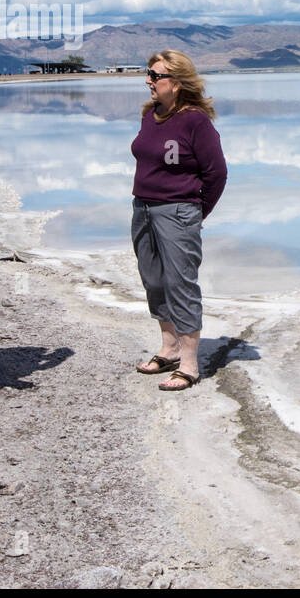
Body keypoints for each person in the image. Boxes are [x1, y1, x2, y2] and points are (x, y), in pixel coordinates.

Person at [130, 50, 227, 390]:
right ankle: (169, 348)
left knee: (180, 283)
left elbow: (216, 174)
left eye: (155, 76)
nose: (148, 81)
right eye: (149, 74)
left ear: (178, 82)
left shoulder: (195, 121)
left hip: (178, 212)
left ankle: (189, 363)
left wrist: (197, 213)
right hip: (142, 209)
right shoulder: (149, 114)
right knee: (153, 280)